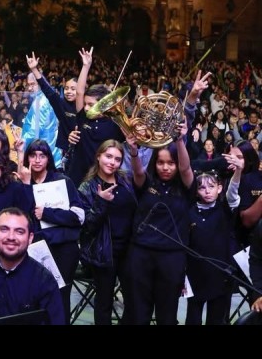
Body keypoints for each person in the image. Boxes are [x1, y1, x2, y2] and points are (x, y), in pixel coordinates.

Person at [125, 121, 193, 325]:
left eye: (170, 163)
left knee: (167, 314)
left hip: (172, 257)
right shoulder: (147, 183)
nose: (165, 167)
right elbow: (138, 173)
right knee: (138, 313)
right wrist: (134, 151)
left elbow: (186, 168)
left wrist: (180, 140)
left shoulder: (186, 187)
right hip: (141, 254)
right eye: (161, 162)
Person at [0, 207, 65, 325]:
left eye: (19, 231)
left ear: (30, 238)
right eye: (4, 229)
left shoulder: (44, 281)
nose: (11, 237)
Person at [21, 138, 83, 324]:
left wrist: (47, 213)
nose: (37, 160)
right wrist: (25, 186)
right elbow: (21, 217)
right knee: (33, 296)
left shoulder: (62, 181)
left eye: (42, 155)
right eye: (33, 155)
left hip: (63, 247)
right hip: (34, 249)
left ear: (49, 158)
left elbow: (78, 216)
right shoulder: (24, 183)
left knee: (60, 297)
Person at [77, 139, 137, 325]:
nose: (112, 162)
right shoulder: (87, 187)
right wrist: (101, 202)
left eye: (117, 159)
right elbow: (87, 228)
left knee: (135, 302)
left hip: (129, 251)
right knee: (104, 303)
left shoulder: (126, 180)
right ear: (98, 156)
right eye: (108, 156)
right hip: (103, 253)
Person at [186, 161, 243, 325]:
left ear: (219, 188)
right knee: (193, 319)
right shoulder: (189, 211)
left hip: (220, 274)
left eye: (211, 187)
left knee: (217, 319)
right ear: (196, 191)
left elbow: (233, 191)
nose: (207, 191)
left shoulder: (225, 208)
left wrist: (238, 171)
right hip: (195, 274)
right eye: (202, 188)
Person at [66, 48, 125, 187]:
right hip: (77, 177)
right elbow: (79, 92)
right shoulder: (84, 118)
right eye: (85, 104)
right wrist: (86, 66)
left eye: (91, 105)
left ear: (103, 104)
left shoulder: (115, 124)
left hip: (101, 181)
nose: (86, 108)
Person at [26, 52, 78, 166]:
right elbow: (48, 91)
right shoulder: (61, 104)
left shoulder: (85, 108)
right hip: (66, 153)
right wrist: (34, 69)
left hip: (83, 152)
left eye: (73, 89)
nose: (69, 91)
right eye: (66, 88)